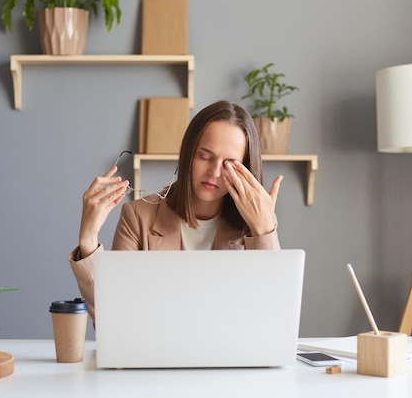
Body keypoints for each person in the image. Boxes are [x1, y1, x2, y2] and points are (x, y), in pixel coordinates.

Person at [68, 100, 284, 323]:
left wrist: (264, 230)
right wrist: (88, 239)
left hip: (231, 357)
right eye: (204, 156)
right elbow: (113, 319)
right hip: (156, 356)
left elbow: (272, 316)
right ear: (188, 153)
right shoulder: (137, 217)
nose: (214, 172)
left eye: (230, 163)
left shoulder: (255, 226)